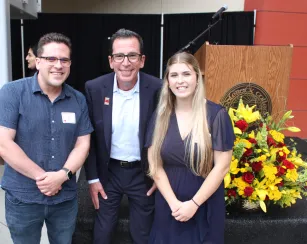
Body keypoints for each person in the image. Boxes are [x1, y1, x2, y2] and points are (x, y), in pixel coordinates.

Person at [0, 32, 93, 244]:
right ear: (38, 61)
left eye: (64, 60)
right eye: (51, 59)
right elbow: (4, 143)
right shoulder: (12, 92)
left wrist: (62, 175)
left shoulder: (77, 99)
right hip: (23, 197)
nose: (58, 65)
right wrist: (45, 179)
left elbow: (83, 144)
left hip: (64, 197)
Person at [146, 52, 235, 244]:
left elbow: (222, 167)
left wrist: (194, 204)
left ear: (197, 77)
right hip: (169, 206)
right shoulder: (159, 117)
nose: (180, 81)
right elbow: (155, 165)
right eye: (174, 75)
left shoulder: (216, 115)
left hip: (204, 204)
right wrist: (175, 205)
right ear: (167, 81)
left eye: (186, 74)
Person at [84, 28, 162, 244]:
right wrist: (92, 178)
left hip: (143, 172)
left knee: (143, 234)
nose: (125, 62)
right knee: (102, 232)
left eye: (132, 55)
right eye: (119, 56)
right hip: (109, 172)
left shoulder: (158, 88)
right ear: (111, 60)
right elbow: (89, 139)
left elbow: (165, 134)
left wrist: (159, 173)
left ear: (142, 60)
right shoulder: (95, 88)